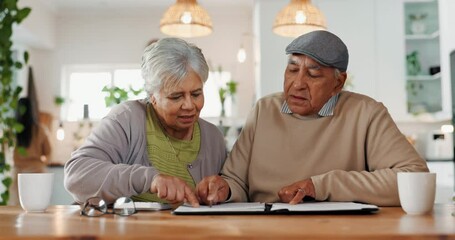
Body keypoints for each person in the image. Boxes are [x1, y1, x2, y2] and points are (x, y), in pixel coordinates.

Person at [196, 30, 429, 207]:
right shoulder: (264, 110)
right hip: (265, 229)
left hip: (338, 232)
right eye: (292, 69)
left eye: (313, 74)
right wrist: (223, 189)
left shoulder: (366, 113)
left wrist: (320, 186)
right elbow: (236, 180)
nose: (297, 83)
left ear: (338, 82)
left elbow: (414, 177)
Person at [64, 38, 227, 207]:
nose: (189, 105)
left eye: (196, 94)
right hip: (128, 233)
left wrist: (221, 189)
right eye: (176, 97)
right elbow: (77, 175)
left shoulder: (213, 137)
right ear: (152, 96)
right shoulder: (127, 119)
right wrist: (150, 179)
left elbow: (231, 192)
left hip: (194, 233)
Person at [10, 97, 52, 206]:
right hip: (37, 172)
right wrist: (44, 162)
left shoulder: (11, 131)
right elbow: (48, 152)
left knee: (15, 209)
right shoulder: (40, 129)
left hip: (16, 173)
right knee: (37, 208)